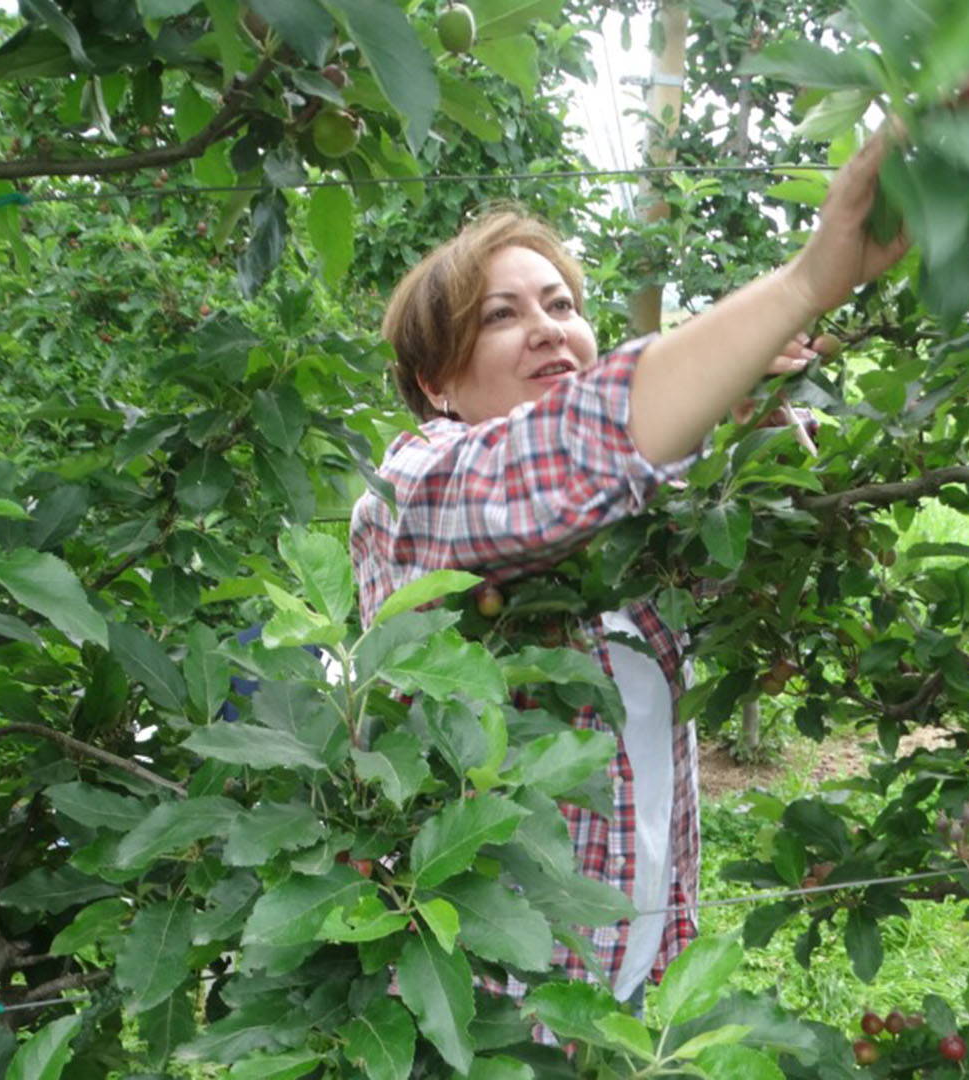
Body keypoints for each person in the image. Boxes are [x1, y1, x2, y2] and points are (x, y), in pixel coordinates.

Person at [348, 132, 910, 1004]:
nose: (548, 329)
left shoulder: (640, 516)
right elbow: (561, 460)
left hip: (633, 984)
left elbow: (727, 552)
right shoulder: (412, 493)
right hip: (489, 1014)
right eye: (501, 316)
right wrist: (802, 282)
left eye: (563, 304)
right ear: (435, 383)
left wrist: (756, 434)